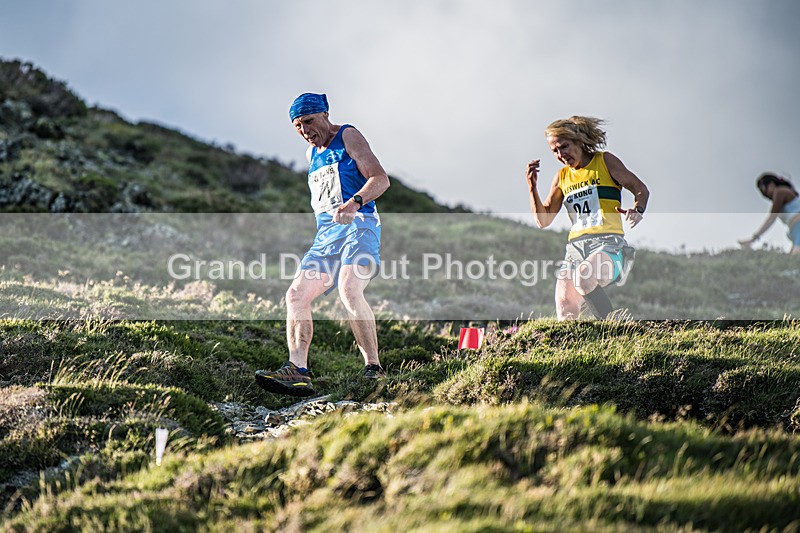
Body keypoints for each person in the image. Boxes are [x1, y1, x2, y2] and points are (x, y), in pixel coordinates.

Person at [255, 93, 390, 396]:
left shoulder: (348, 136)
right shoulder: (310, 155)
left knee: (349, 289)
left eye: (309, 121)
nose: (304, 130)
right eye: (297, 126)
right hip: (326, 237)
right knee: (296, 295)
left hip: (359, 225)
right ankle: (298, 370)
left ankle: (373, 368)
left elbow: (380, 179)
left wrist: (355, 202)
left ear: (325, 114)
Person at [526, 116, 650, 320]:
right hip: (574, 249)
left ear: (578, 141)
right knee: (564, 307)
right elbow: (544, 220)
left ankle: (615, 328)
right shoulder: (562, 177)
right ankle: (577, 342)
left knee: (583, 276)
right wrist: (532, 186)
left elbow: (640, 188)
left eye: (564, 146)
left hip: (607, 244)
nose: (561, 155)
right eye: (555, 151)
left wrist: (638, 209)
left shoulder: (604, 161)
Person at [738, 173, 800, 255]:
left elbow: (771, 218)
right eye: (761, 192)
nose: (764, 194)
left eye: (764, 189)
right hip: (795, 231)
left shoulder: (780, 191)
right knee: (791, 259)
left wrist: (754, 238)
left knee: (795, 257)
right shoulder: (783, 193)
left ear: (771, 185)